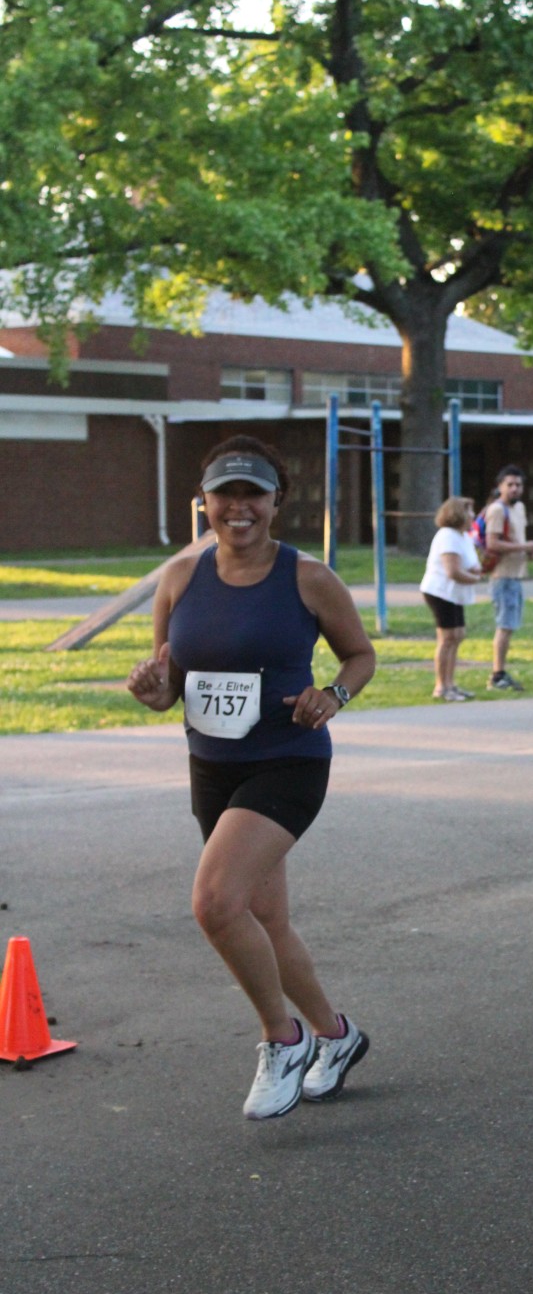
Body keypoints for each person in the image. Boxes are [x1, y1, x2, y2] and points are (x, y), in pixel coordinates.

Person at [126, 436, 377, 1121]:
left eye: (253, 495)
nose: (239, 508)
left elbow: (359, 655)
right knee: (265, 920)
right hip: (211, 767)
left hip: (289, 760)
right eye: (225, 495)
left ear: (276, 501)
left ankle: (282, 1039)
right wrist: (152, 691)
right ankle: (336, 1034)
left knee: (214, 904)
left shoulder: (308, 578)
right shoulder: (180, 577)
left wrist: (333, 694)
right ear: (204, 502)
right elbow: (170, 684)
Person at [419, 495, 482, 701]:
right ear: (457, 514)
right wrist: (475, 579)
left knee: (458, 635)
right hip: (440, 592)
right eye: (469, 511)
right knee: (447, 638)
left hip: (455, 593)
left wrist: (476, 570)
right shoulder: (447, 536)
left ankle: (451, 684)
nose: (473, 515)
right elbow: (452, 571)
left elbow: (470, 564)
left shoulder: (463, 536)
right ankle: (441, 687)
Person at [484, 465, 533, 691]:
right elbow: (492, 543)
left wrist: (528, 551)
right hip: (502, 576)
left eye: (518, 485)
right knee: (505, 626)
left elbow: (516, 540)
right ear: (500, 487)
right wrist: (524, 547)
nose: (514, 489)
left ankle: (501, 671)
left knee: (510, 626)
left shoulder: (519, 508)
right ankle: (497, 675)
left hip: (516, 576)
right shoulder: (497, 510)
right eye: (510, 485)